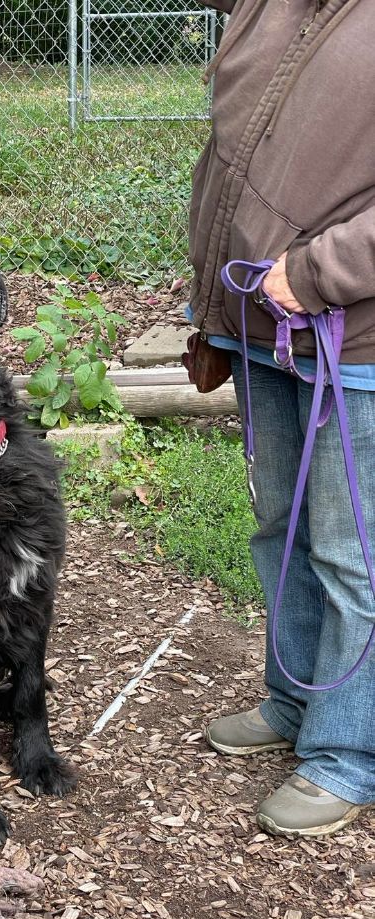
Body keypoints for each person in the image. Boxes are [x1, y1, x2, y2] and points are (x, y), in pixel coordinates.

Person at [188, 0, 375, 837]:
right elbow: (225, 166)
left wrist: (320, 270)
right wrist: (211, 315)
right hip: (262, 325)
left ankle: (348, 754)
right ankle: (296, 701)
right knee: (282, 528)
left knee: (351, 553)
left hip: (355, 335)